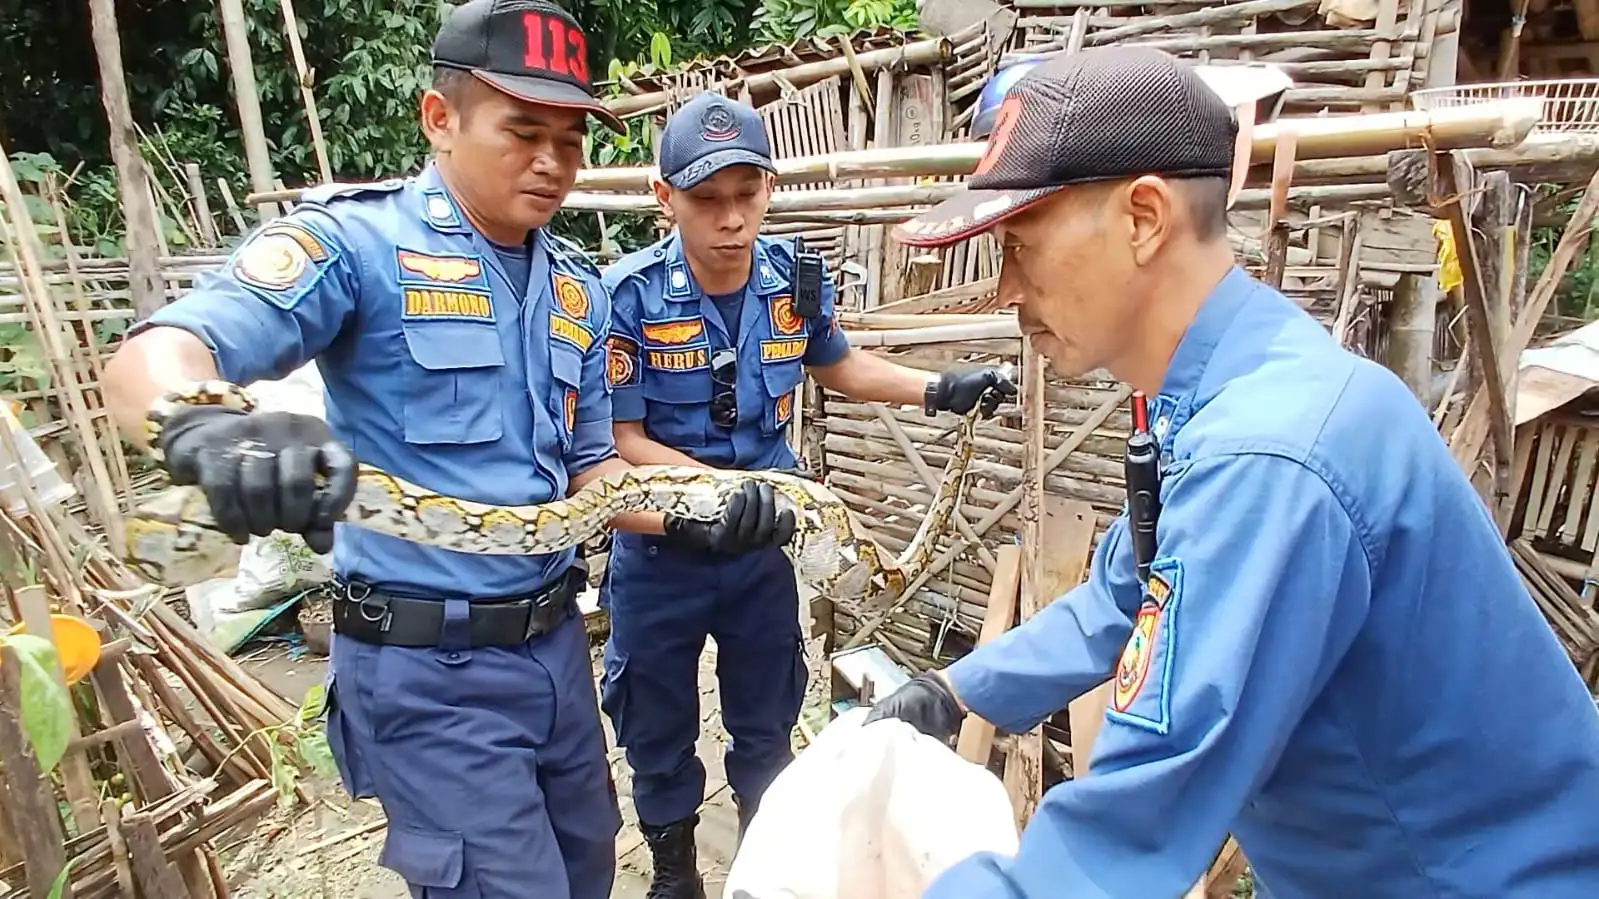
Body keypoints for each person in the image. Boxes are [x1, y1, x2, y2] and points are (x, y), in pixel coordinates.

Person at [865, 46, 1599, 898]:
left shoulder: (1266, 453)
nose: (1005, 289)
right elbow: (1125, 597)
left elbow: (1127, 832)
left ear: (1143, 216)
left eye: (1021, 245)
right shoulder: (1220, 390)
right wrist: (949, 690)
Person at [102, 3, 793, 898]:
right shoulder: (355, 243)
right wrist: (204, 425)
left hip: (553, 652)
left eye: (570, 138)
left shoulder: (577, 288)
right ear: (441, 118)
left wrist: (697, 509)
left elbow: (594, 473)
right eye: (523, 131)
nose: (552, 162)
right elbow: (154, 354)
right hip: (428, 667)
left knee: (586, 867)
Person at [599, 91, 1017, 899]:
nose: (729, 219)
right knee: (656, 724)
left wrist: (938, 387)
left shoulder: (792, 277)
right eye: (706, 200)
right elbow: (623, 442)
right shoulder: (628, 296)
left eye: (745, 195)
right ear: (665, 198)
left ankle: (772, 867)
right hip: (663, 549)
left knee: (765, 722)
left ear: (769, 186)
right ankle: (674, 871)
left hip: (763, 548)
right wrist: (719, 498)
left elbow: (837, 364)